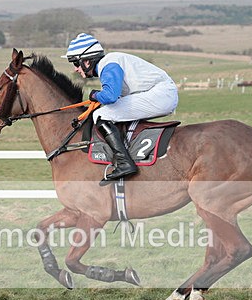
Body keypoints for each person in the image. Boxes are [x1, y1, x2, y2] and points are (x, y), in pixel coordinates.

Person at [62, 33, 179, 186]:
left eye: (76, 63)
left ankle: (124, 163)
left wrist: (94, 94)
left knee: (100, 114)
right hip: (160, 93)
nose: (76, 69)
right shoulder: (110, 62)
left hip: (161, 95)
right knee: (107, 111)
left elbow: (110, 96)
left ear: (86, 61)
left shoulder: (108, 65)